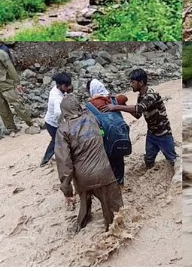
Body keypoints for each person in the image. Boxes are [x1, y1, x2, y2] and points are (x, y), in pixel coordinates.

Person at [55, 95, 123, 232]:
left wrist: (67, 190)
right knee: (114, 213)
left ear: (64, 112)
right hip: (104, 172)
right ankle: (112, 232)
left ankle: (80, 226)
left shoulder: (62, 130)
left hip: (82, 177)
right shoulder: (92, 118)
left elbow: (64, 162)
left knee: (85, 203)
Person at [100, 69, 178, 170]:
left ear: (141, 83)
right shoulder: (140, 96)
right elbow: (137, 114)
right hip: (152, 134)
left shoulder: (152, 95)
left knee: (173, 160)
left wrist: (116, 107)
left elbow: (139, 108)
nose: (131, 85)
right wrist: (122, 103)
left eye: (133, 82)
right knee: (149, 160)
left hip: (163, 134)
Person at [0, 41, 39, 136]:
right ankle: (11, 129)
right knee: (3, 110)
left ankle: (30, 122)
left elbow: (10, 68)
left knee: (18, 105)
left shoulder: (1, 53)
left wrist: (17, 83)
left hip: (6, 85)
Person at [86, 79, 130, 185]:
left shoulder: (90, 105)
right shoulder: (114, 100)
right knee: (118, 157)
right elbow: (125, 98)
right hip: (119, 134)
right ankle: (120, 180)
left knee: (108, 158)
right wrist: (112, 96)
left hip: (104, 136)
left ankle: (110, 183)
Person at [41, 72, 73, 167]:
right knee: (56, 141)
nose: (68, 87)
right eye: (66, 86)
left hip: (50, 121)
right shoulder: (57, 97)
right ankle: (46, 160)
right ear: (60, 86)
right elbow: (58, 113)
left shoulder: (56, 89)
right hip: (52, 123)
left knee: (58, 140)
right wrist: (62, 123)